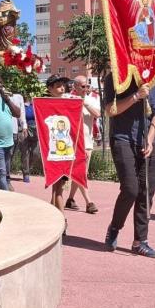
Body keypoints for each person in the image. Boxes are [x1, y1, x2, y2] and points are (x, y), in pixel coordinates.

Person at [103, 74, 155, 258]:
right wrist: (136, 96)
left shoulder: (149, 79)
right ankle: (114, 227)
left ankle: (140, 242)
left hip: (146, 142)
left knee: (146, 192)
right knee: (130, 189)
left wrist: (150, 140)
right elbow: (110, 110)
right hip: (122, 139)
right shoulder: (113, 77)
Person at [65, 75, 100, 214]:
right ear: (75, 86)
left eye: (87, 86)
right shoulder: (68, 98)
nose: (86, 89)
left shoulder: (92, 99)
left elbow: (97, 114)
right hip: (72, 142)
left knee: (80, 172)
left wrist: (85, 103)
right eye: (83, 86)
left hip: (87, 142)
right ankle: (88, 202)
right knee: (80, 173)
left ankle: (70, 199)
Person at [45, 75, 72, 213]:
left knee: (58, 187)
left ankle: (53, 214)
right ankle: (62, 219)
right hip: (53, 151)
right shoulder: (45, 105)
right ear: (50, 89)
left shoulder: (71, 102)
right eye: (58, 86)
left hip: (67, 151)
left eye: (63, 85)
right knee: (57, 188)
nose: (62, 88)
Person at [8, 89, 27, 184]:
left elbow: (21, 112)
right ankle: (4, 177)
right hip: (0, 130)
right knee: (3, 155)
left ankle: (6, 176)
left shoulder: (18, 96)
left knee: (10, 154)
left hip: (13, 130)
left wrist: (24, 126)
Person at [18, 94, 38, 183]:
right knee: (25, 152)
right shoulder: (21, 105)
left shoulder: (35, 105)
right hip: (24, 129)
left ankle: (27, 168)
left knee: (35, 153)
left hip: (36, 129)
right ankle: (26, 173)